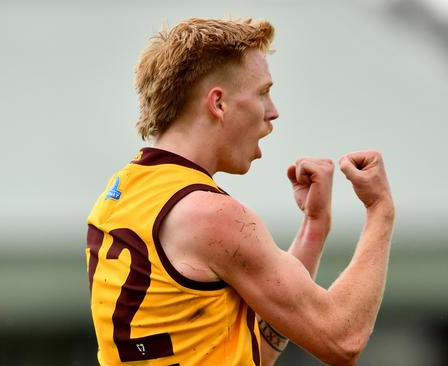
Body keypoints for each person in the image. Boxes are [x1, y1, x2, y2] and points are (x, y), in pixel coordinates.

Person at [86, 18, 395, 366]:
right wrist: (380, 210)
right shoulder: (211, 215)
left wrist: (314, 226)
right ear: (218, 103)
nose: (273, 112)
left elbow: (251, 349)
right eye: (263, 92)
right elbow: (342, 338)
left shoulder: (120, 194)